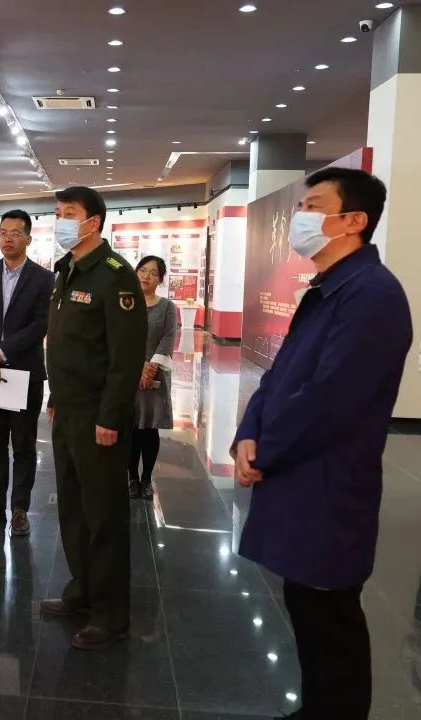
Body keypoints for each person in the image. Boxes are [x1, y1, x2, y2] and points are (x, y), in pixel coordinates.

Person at [232, 168, 412, 720]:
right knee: (307, 606)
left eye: (313, 206)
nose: (300, 217)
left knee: (329, 615)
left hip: (329, 484)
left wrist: (267, 450)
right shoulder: (328, 289)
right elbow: (279, 375)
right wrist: (247, 432)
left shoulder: (372, 296)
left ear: (353, 220)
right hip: (299, 476)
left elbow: (330, 398)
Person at [39, 186, 147, 651]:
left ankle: (110, 614)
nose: (60, 221)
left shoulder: (115, 276)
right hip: (68, 409)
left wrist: (110, 416)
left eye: (69, 214)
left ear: (93, 222)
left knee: (104, 515)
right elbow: (66, 346)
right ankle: (81, 590)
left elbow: (125, 357)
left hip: (99, 416)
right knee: (73, 507)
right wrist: (56, 397)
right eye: (58, 213)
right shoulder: (66, 270)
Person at [0, 209, 54, 536]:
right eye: (3, 233)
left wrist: (1, 351)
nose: (8, 239)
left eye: (15, 233)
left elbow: (41, 324)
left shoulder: (44, 278)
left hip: (25, 373)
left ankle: (19, 509)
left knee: (24, 445)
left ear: (28, 238)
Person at [129, 256, 177, 501]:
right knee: (130, 428)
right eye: (143, 270)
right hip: (128, 374)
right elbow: (119, 338)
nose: (147, 276)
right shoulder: (126, 303)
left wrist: (150, 367)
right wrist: (137, 366)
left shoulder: (167, 307)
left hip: (155, 377)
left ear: (160, 279)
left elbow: (168, 338)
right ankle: (131, 478)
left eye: (154, 273)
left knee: (149, 429)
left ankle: (146, 479)